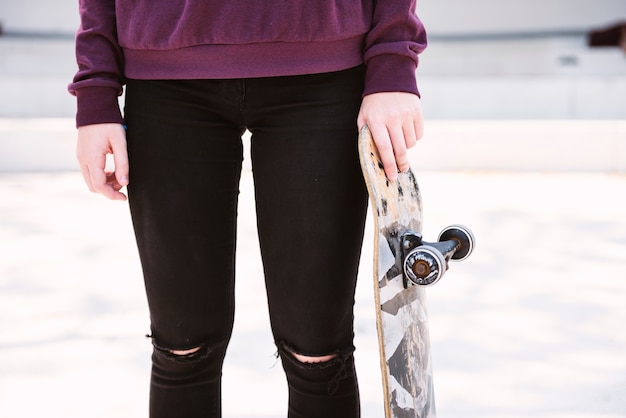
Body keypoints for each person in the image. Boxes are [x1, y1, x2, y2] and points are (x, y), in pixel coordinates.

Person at [69, 1, 427, 417]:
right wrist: (95, 88)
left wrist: (393, 61)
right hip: (166, 77)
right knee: (182, 347)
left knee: (318, 352)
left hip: (323, 71)